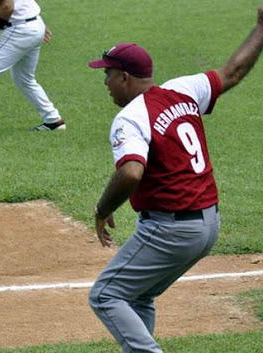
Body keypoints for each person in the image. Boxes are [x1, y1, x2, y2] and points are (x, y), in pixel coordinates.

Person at [87, 5, 263, 352]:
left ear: (124, 77)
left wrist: (102, 208)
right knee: (139, 295)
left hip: (171, 228)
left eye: (107, 74)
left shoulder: (131, 117)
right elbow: (234, 71)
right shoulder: (183, 90)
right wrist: (261, 28)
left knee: (105, 296)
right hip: (208, 224)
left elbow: (131, 171)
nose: (105, 82)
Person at [0, 0, 65, 142]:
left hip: (19, 29)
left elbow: (7, 6)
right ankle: (53, 120)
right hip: (33, 25)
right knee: (24, 79)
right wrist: (39, 24)